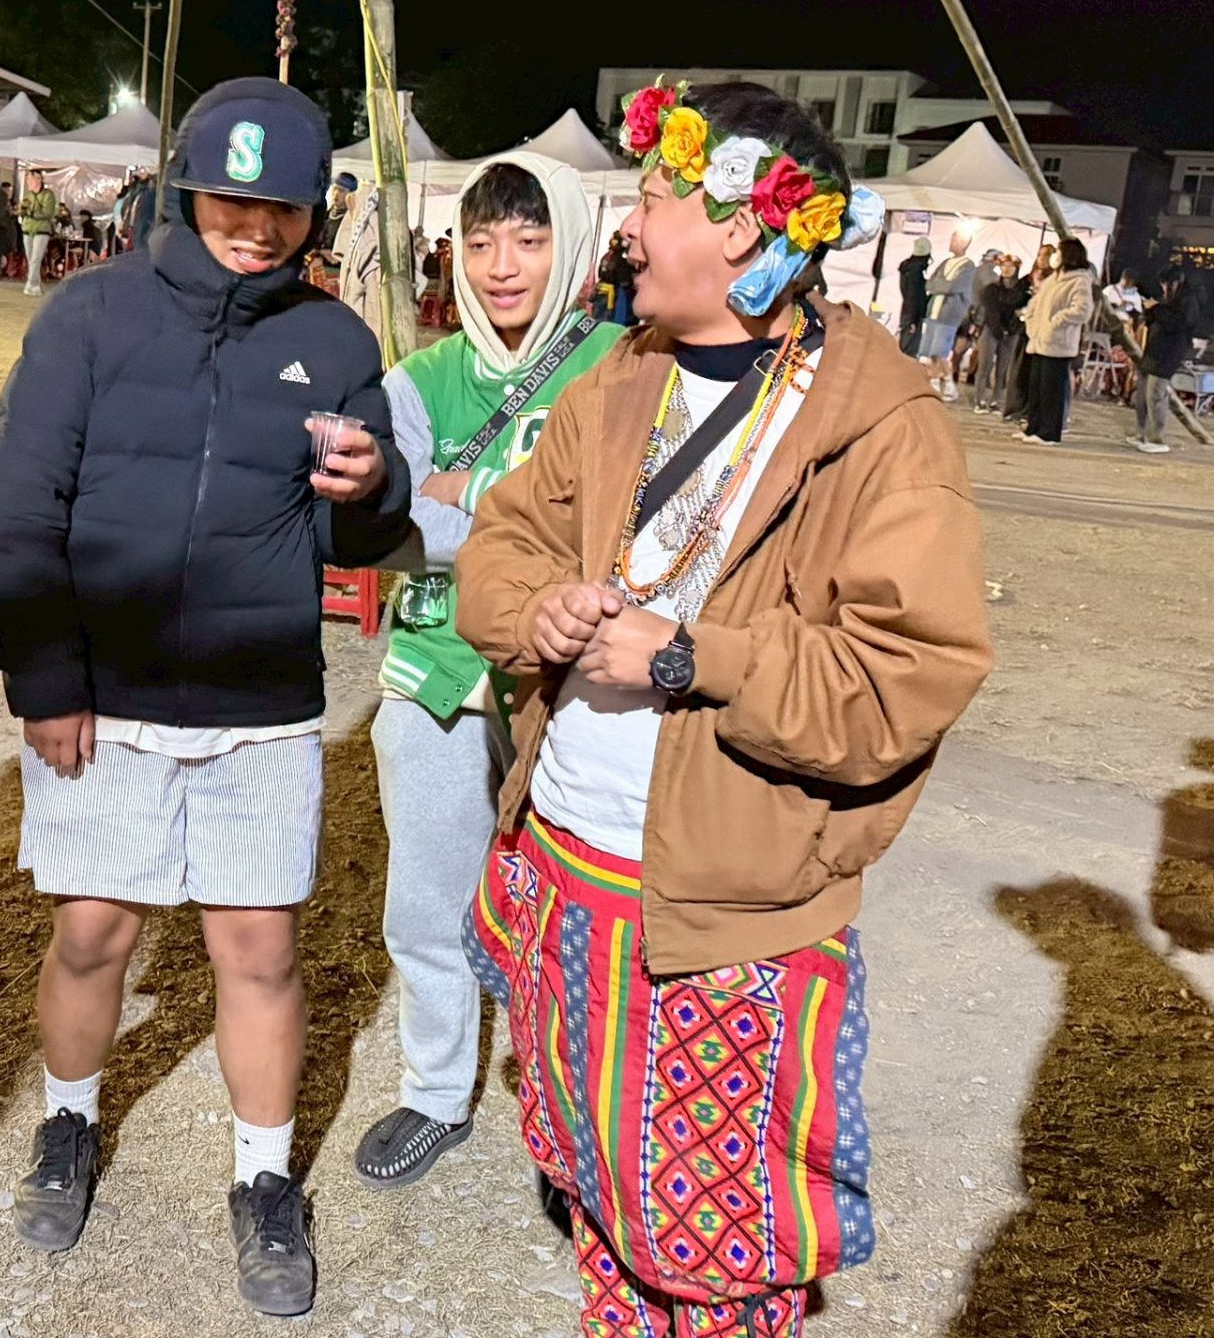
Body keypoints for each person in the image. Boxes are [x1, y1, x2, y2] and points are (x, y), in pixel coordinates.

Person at [456, 80, 992, 1337]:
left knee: (720, 1254)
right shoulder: (620, 377)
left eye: (653, 197)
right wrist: (534, 610)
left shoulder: (879, 427)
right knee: (599, 1205)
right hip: (564, 875)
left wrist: (696, 658)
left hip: (721, 922)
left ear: (743, 225)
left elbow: (904, 678)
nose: (629, 226)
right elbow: (501, 543)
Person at [0, 77, 410, 1319]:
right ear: (183, 192)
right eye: (230, 200)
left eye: (282, 209)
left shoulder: (336, 343)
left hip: (259, 703)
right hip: (103, 699)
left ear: (313, 214)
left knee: (258, 950)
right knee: (91, 933)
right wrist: (46, 678)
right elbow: (17, 510)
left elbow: (358, 542)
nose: (255, 229)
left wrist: (370, 490)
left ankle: (264, 1181)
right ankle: (68, 1124)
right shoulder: (89, 316)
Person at [358, 153, 624, 1189]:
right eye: (479, 242)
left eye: (528, 238)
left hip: (572, 685)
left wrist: (464, 494)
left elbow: (615, 534)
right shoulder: (419, 378)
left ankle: (573, 1113)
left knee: (574, 908)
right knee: (426, 903)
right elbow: (389, 533)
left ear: (573, 244)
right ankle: (436, 1094)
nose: (501, 265)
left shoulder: (623, 366)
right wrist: (522, 521)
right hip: (432, 673)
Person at [1019, 237, 1096, 446]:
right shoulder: (1053, 278)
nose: (1055, 256)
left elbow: (1082, 310)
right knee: (1036, 387)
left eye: (1058, 252)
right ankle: (1033, 427)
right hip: (1039, 340)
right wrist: (1031, 321)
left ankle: (1049, 432)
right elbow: (1036, 301)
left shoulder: (1079, 280)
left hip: (1058, 344)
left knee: (1051, 390)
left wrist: (1057, 321)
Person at [1131, 262, 1201, 454]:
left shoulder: (1188, 300)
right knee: (1142, 394)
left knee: (1155, 394)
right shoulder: (1167, 299)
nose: (1163, 287)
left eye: (1165, 283)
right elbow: (1155, 320)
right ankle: (1141, 434)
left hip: (1169, 353)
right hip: (1153, 350)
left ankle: (1157, 438)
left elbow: (1177, 324)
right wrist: (1149, 310)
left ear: (1175, 282)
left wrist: (1157, 309)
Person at [918, 227, 979, 399]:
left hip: (948, 315)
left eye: (954, 240)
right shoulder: (945, 262)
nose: (951, 243)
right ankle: (936, 383)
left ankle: (947, 384)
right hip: (934, 312)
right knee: (930, 353)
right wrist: (942, 284)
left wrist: (941, 284)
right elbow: (930, 283)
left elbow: (953, 287)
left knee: (940, 352)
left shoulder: (968, 266)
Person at [969, 251, 1028, 413]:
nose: (1007, 269)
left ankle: (996, 401)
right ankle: (979, 400)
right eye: (1004, 266)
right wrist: (998, 329)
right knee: (984, 366)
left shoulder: (1022, 292)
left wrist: (1013, 327)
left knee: (1002, 370)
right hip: (991, 329)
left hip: (1011, 331)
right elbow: (991, 311)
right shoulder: (991, 289)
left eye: (1011, 266)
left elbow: (1022, 309)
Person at [19, 169, 61, 296]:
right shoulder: (28, 195)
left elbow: (48, 212)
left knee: (36, 259)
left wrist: (32, 213)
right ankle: (36, 285)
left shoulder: (48, 195)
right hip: (28, 230)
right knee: (31, 258)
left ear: (38, 180)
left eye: (30, 179)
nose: (28, 182)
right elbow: (22, 209)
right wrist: (21, 211)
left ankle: (30, 283)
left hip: (41, 231)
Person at [897, 235, 932, 355]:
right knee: (909, 351)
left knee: (904, 347)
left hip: (907, 313)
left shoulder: (907, 268)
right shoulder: (916, 272)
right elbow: (913, 296)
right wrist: (914, 320)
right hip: (912, 315)